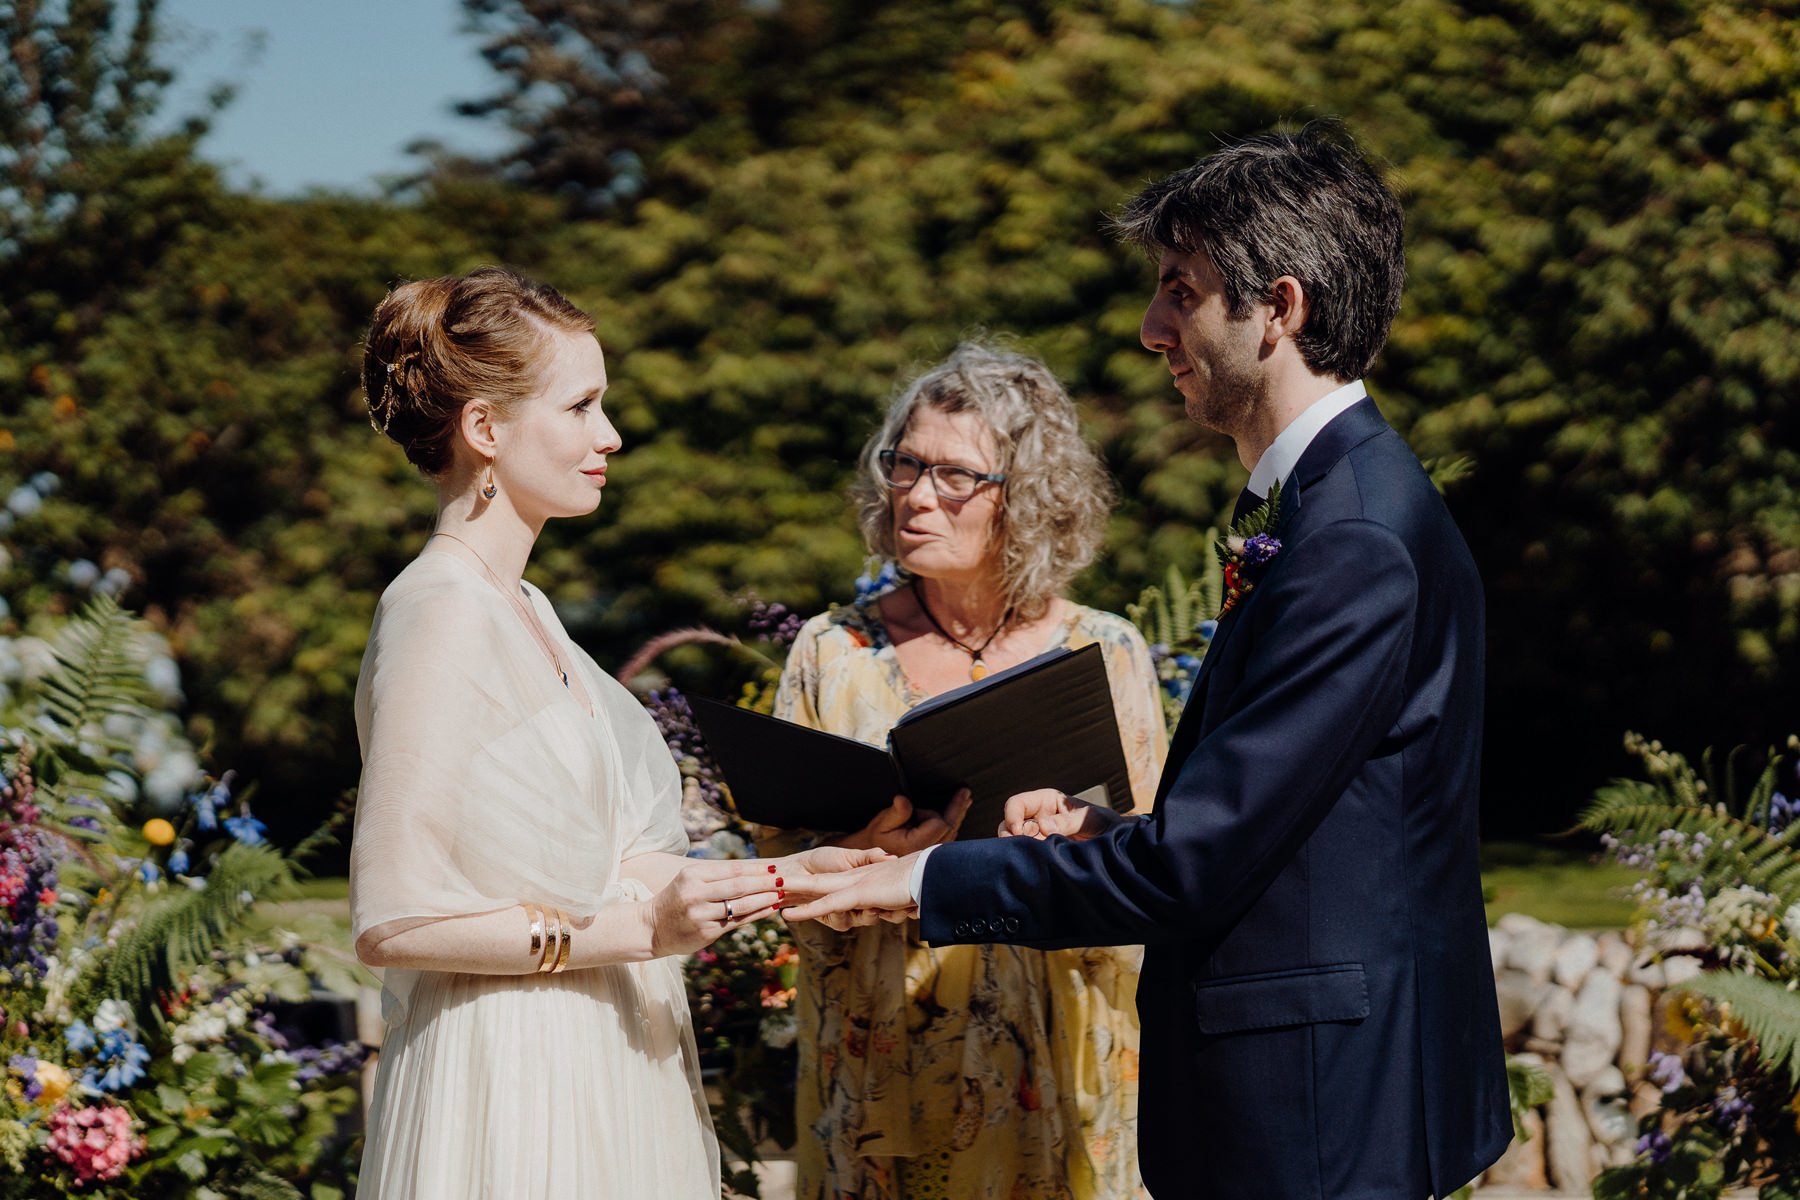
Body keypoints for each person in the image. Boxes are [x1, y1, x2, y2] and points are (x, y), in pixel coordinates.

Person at [786, 130, 1512, 1198]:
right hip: (1325, 1088)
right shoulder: (1344, 505)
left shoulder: (1352, 538)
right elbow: (1297, 832)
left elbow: (1195, 870)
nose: (1150, 329)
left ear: (1280, 308)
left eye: (1182, 292)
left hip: (1315, 1108)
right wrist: (1111, 833)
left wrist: (926, 876)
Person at [347, 266, 875, 1199]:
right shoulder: (439, 611)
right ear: (485, 429)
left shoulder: (531, 610)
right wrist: (639, 931)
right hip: (512, 1078)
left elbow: (598, 871)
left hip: (604, 1053)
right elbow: (398, 915)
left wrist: (792, 876)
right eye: (583, 406)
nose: (611, 436)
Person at [758, 342, 1167, 1200]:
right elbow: (773, 873)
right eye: (904, 464)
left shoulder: (1106, 651)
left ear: (1028, 500)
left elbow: (1156, 860)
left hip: (1063, 1053)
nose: (913, 494)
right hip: (881, 1062)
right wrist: (860, 847)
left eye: (954, 476)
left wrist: (1075, 836)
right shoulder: (833, 653)